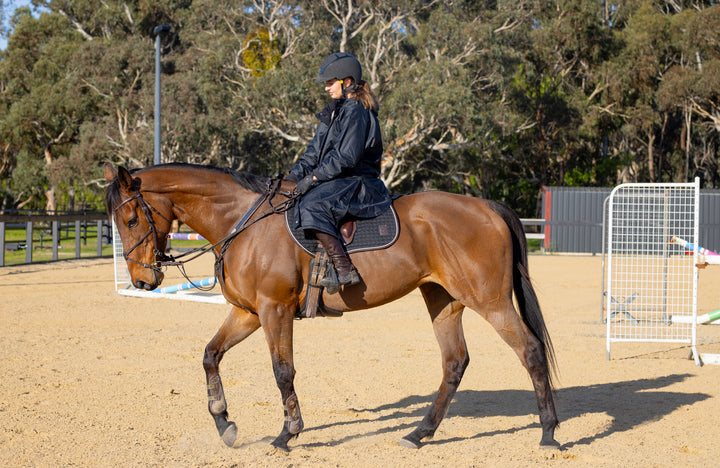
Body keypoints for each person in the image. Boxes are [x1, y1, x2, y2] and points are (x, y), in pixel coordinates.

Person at [286, 52, 392, 294]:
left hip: (359, 182)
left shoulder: (356, 110)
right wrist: (291, 180)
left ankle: (344, 268)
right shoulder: (333, 111)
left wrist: (313, 178)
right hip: (339, 179)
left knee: (312, 205)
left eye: (329, 82)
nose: (326, 88)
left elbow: (346, 157)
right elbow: (312, 154)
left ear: (347, 82)